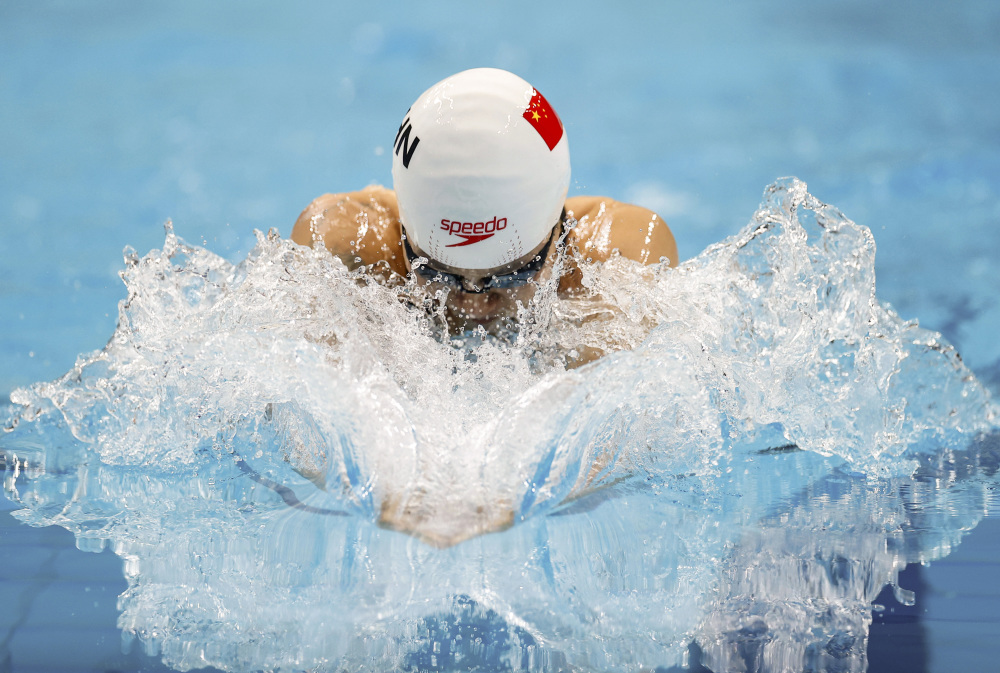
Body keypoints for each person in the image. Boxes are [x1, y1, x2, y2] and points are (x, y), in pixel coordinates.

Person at [291, 67, 678, 360]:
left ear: (556, 234)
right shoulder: (349, 249)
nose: (474, 304)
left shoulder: (614, 263)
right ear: (405, 236)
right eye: (436, 272)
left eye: (513, 274)